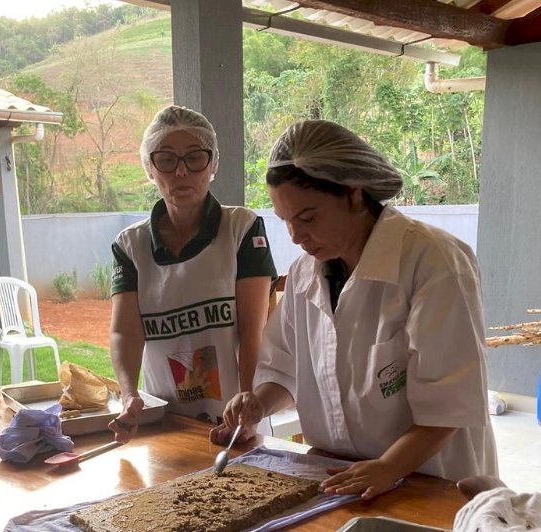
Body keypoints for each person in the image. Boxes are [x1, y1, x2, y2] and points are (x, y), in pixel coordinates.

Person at [211, 119, 498, 500]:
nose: (296, 237)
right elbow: (284, 369)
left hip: (432, 479)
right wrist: (258, 403)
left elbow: (451, 403)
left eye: (308, 218)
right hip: (337, 478)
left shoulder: (433, 261)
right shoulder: (303, 275)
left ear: (354, 194)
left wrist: (390, 467)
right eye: (286, 221)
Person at [108, 105, 277, 441]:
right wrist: (130, 397)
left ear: (213, 164)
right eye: (167, 160)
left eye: (194, 158)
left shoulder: (241, 229)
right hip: (165, 421)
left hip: (236, 419)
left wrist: (248, 405)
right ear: (149, 168)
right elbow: (126, 333)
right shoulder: (131, 246)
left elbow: (252, 331)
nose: (181, 172)